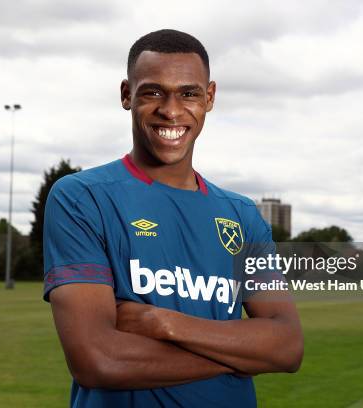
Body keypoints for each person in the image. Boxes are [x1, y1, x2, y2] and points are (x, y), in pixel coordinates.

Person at [43, 29, 303, 408]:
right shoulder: (82, 198)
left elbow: (288, 346)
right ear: (126, 95)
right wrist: (241, 353)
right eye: (152, 92)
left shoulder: (242, 215)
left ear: (209, 98)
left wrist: (162, 323)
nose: (172, 109)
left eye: (189, 93)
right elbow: (98, 360)